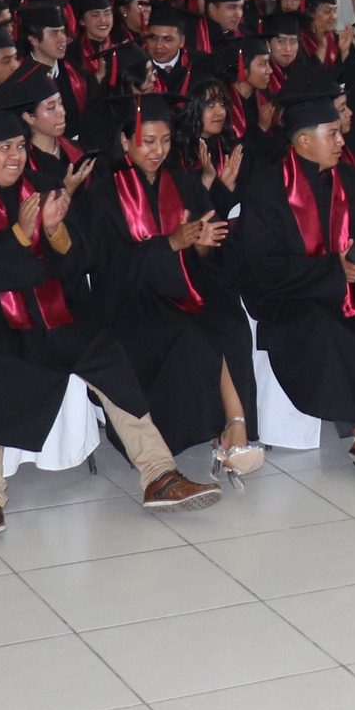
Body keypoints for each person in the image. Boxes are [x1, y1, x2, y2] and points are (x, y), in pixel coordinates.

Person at [0, 103, 221, 535]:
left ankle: (159, 474)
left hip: (52, 309)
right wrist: (19, 237)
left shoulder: (45, 188)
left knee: (106, 351)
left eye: (20, 147)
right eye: (3, 147)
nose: (14, 156)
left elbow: (84, 258)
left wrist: (56, 232)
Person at [229, 90, 355, 478]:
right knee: (326, 330)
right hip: (291, 298)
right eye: (332, 133)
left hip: (350, 292)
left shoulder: (350, 180)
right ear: (303, 141)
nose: (341, 141)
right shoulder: (266, 189)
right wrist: (332, 272)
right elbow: (262, 266)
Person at [78, 93, 266, 484]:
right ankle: (216, 430)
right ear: (126, 141)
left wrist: (200, 246)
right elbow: (109, 270)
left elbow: (204, 247)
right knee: (189, 335)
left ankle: (234, 426)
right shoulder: (102, 196)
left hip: (185, 286)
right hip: (130, 302)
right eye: (147, 140)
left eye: (164, 140)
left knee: (230, 321)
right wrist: (170, 245)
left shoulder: (184, 183)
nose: (157, 150)